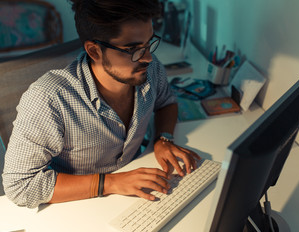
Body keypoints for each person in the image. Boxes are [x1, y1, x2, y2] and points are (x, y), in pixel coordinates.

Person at [2, 0, 200, 209]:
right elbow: (19, 185)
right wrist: (111, 182)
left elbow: (166, 103)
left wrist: (163, 139)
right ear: (95, 51)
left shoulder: (149, 69)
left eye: (149, 43)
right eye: (133, 49)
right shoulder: (48, 99)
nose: (149, 57)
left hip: (135, 189)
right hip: (78, 205)